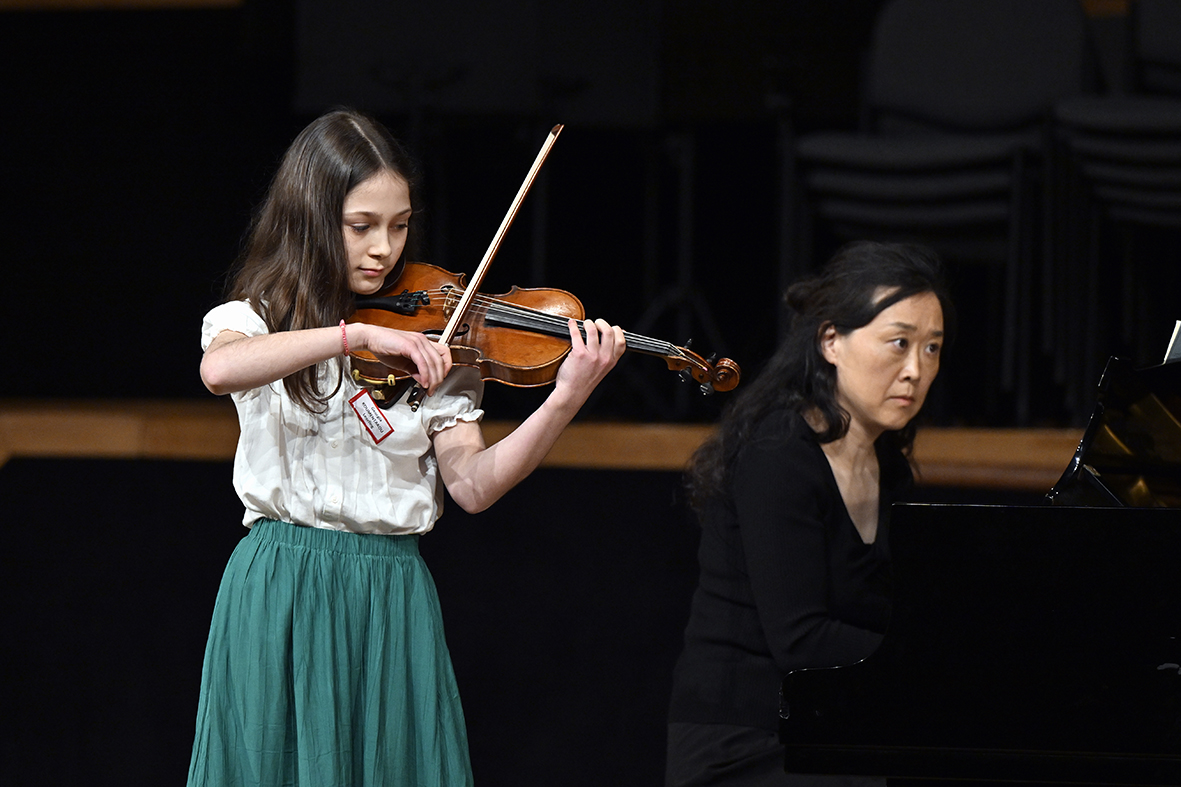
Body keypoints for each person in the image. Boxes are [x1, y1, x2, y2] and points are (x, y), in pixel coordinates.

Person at [187, 108, 625, 787]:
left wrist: (564, 397)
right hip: (280, 583)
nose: (383, 249)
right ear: (310, 218)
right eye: (361, 226)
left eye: (399, 225)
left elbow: (474, 486)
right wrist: (353, 337)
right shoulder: (258, 319)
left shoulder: (437, 344)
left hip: (388, 590)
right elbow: (219, 370)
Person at [665, 241, 954, 786]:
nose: (917, 369)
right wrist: (935, 665)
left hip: (827, 728)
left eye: (933, 348)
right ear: (830, 341)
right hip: (741, 742)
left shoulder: (889, 464)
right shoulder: (779, 454)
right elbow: (799, 639)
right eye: (899, 343)